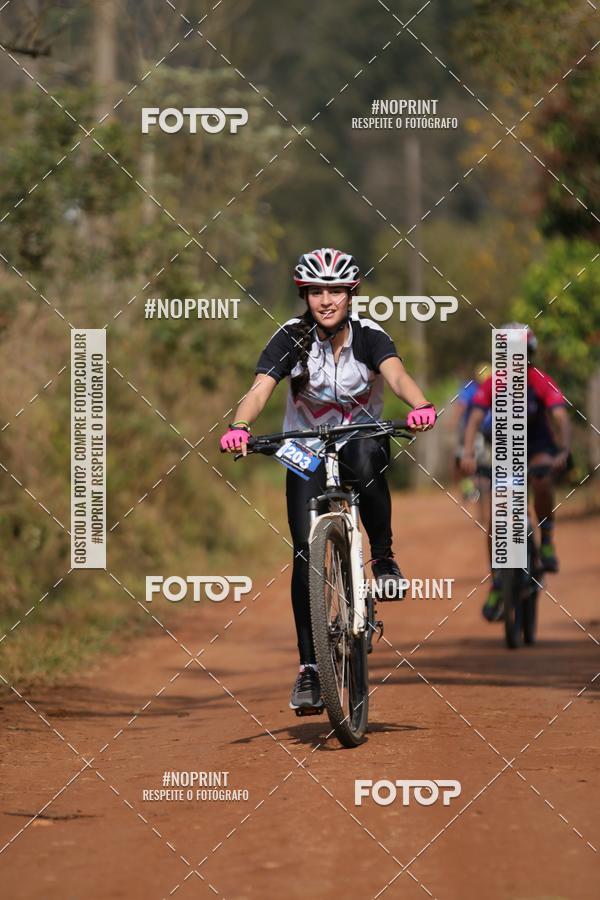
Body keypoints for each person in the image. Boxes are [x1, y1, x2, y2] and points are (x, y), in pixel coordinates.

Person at [220, 248, 436, 710]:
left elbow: (396, 376)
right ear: (305, 295)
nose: (325, 299)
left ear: (350, 293)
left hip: (359, 438)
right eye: (315, 290)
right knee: (303, 552)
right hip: (304, 448)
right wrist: (240, 427)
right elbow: (261, 388)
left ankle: (383, 557)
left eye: (335, 289)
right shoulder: (291, 338)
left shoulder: (370, 337)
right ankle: (311, 669)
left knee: (364, 450)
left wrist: (419, 405)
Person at [461, 323, 571, 622]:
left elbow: (560, 416)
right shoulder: (492, 383)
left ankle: (546, 540)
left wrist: (563, 450)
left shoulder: (540, 381)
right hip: (505, 449)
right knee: (498, 519)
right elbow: (473, 418)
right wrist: (468, 452)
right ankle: (498, 580)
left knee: (542, 480)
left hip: (538, 446)